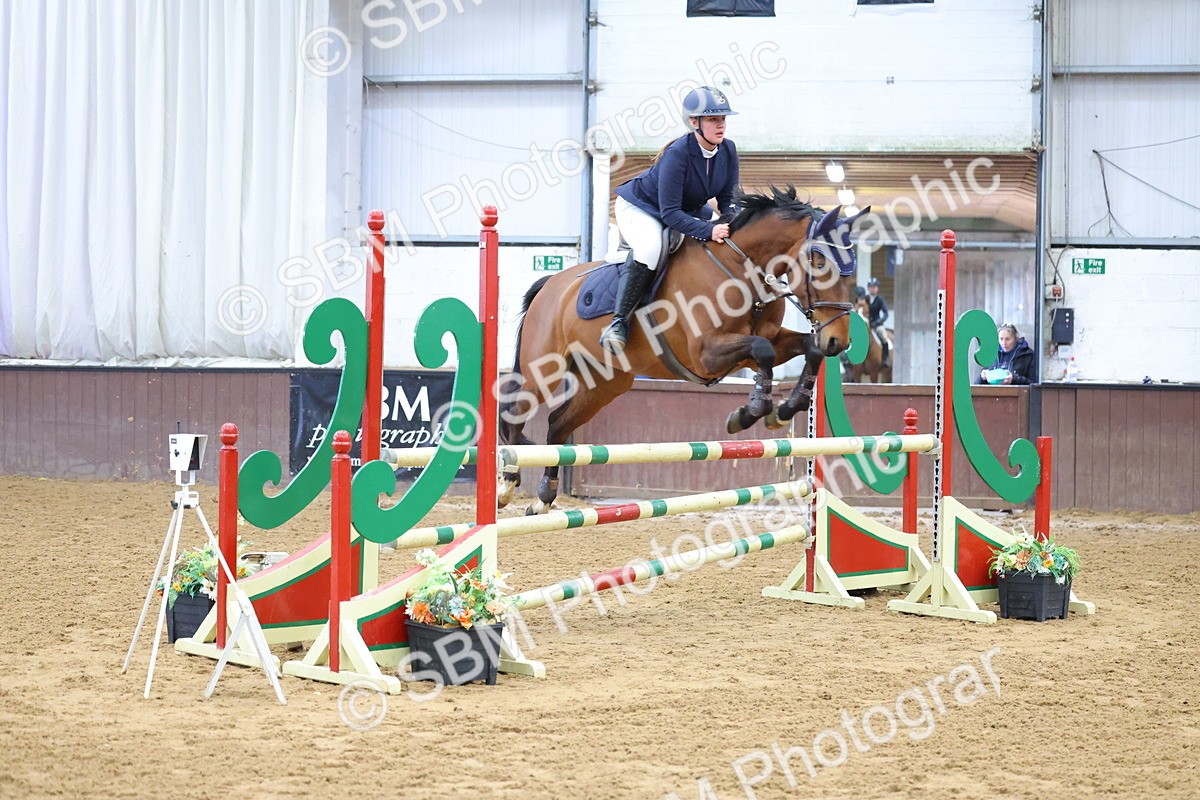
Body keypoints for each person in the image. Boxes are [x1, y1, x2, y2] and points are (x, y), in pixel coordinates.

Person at [600, 85, 741, 354]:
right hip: (642, 207)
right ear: (694, 122)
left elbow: (727, 201)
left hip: (686, 209)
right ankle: (619, 323)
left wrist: (735, 223)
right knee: (651, 249)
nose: (720, 125)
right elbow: (670, 214)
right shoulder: (677, 153)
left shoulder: (729, 150)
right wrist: (709, 231)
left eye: (723, 119)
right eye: (713, 119)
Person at [866, 278, 890, 367]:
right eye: (871, 287)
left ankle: (885, 358)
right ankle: (850, 360)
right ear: (868, 288)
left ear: (877, 288)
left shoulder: (880, 299)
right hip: (866, 323)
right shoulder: (865, 298)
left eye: (874, 287)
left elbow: (886, 313)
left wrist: (879, 321)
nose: (873, 289)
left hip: (876, 324)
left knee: (883, 336)